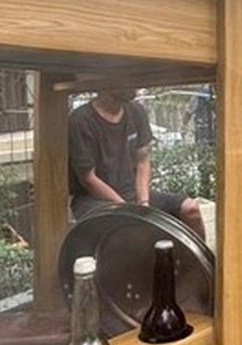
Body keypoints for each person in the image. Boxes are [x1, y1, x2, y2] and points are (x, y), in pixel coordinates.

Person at [68, 88, 206, 237]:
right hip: (93, 200)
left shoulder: (136, 111)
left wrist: (143, 203)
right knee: (129, 227)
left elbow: (143, 160)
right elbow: (88, 178)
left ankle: (201, 260)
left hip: (133, 194)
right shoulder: (80, 120)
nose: (133, 84)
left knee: (191, 209)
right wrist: (128, 209)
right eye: (125, 77)